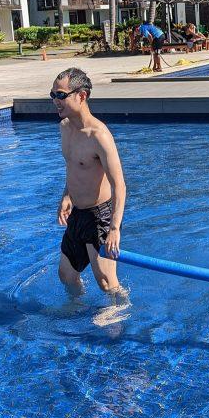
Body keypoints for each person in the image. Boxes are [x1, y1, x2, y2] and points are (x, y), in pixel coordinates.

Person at [52, 68, 129, 314]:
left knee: (106, 283)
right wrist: (67, 195)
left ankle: (121, 311)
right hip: (78, 214)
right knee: (66, 274)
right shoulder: (65, 127)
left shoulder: (99, 136)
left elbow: (120, 185)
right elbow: (72, 167)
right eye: (52, 94)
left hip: (100, 216)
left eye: (61, 95)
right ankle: (77, 306)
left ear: (81, 96)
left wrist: (114, 228)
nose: (55, 100)